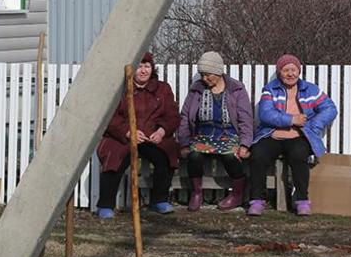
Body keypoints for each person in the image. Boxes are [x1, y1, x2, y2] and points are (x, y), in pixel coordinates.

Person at [247, 54, 337, 217]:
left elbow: (330, 108)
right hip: (272, 134)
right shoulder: (270, 89)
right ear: (279, 72)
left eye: (293, 70)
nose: (290, 74)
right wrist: (291, 119)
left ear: (299, 71)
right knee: (258, 155)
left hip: (299, 136)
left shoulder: (311, 89)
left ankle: (302, 200)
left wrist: (313, 126)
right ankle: (257, 200)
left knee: (299, 155)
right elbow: (265, 113)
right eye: (285, 70)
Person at [94, 53, 181, 219]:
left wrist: (162, 131)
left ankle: (159, 200)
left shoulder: (162, 89)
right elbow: (110, 116)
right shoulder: (120, 90)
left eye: (147, 66)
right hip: (123, 137)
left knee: (166, 155)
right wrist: (128, 132)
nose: (143, 71)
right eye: (139, 66)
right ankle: (105, 205)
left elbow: (172, 115)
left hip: (152, 136)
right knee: (114, 159)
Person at [176, 51, 254, 212]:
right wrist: (184, 142)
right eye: (202, 75)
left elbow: (245, 118)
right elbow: (184, 117)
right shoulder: (196, 90)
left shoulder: (236, 89)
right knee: (194, 155)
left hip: (228, 134)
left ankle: (238, 194)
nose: (205, 78)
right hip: (202, 135)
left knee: (230, 155)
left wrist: (245, 144)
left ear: (218, 72)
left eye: (208, 75)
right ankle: (197, 193)